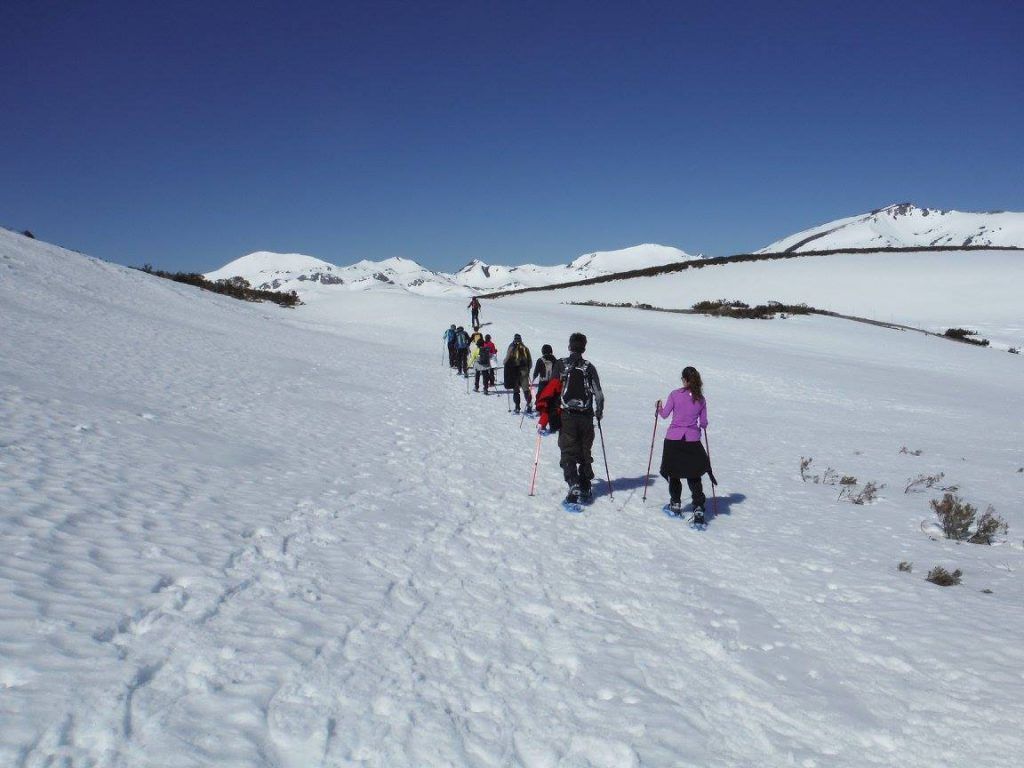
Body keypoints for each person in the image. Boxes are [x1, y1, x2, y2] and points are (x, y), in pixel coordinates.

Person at [552, 332, 604, 504]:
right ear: (584, 347)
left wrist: (550, 414)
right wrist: (599, 412)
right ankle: (585, 485)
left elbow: (552, 390)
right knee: (584, 452)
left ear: (570, 346)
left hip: (567, 416)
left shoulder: (560, 365)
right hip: (586, 417)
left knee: (567, 451)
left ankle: (573, 483)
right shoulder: (589, 367)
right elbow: (599, 395)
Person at [657, 366, 710, 524]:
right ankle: (698, 507)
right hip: (692, 441)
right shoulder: (701, 399)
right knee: (694, 474)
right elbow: (704, 423)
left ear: (685, 380)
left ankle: (675, 504)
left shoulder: (674, 394)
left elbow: (665, 415)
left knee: (674, 473)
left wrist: (658, 407)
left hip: (673, 439)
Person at [504, 333, 533, 414]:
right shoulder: (525, 348)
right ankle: (529, 405)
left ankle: (517, 407)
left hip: (514, 371)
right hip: (524, 371)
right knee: (526, 390)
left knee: (516, 390)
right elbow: (530, 362)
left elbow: (506, 360)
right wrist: (528, 370)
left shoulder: (511, 348)